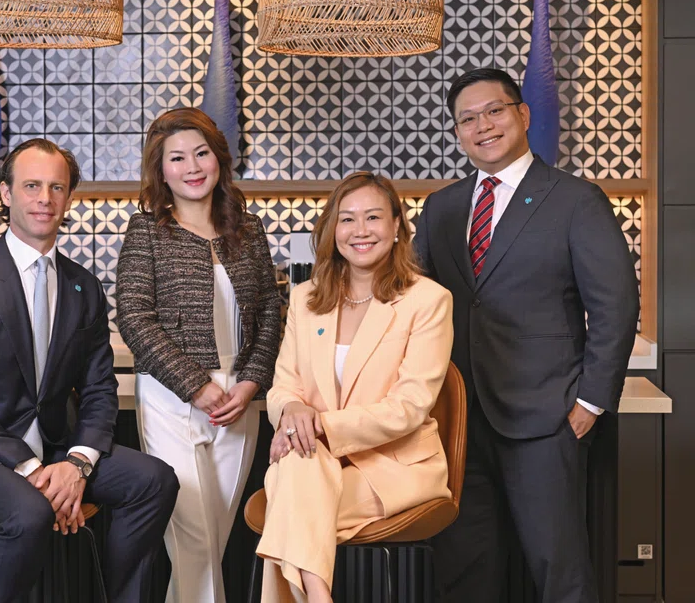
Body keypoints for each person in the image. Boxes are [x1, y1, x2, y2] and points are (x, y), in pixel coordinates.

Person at [0, 138, 178, 603]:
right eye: (31, 185)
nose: (44, 199)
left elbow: (97, 390)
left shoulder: (83, 286)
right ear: (6, 194)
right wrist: (31, 468)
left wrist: (77, 463)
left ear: (69, 198)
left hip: (56, 447)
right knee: (29, 511)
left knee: (155, 481)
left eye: (57, 187)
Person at [416, 68, 639, 603]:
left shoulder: (575, 199)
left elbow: (615, 305)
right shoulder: (441, 207)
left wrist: (590, 401)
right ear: (457, 132)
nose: (482, 126)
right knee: (465, 570)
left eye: (494, 111)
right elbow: (414, 303)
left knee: (558, 568)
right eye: (467, 119)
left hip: (547, 416)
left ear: (523, 115)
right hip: (459, 420)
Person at [256, 172, 454, 603]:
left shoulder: (428, 301)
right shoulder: (306, 300)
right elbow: (282, 387)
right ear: (332, 230)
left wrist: (316, 426)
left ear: (397, 225)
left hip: (395, 467)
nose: (359, 231)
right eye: (347, 219)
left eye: (373, 217)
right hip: (313, 463)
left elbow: (410, 406)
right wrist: (290, 411)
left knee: (288, 507)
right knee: (299, 485)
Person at [116, 107, 281, 603]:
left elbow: (272, 313)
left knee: (213, 535)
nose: (192, 166)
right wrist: (196, 385)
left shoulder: (248, 230)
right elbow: (134, 316)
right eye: (177, 157)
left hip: (239, 399)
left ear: (219, 159)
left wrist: (251, 382)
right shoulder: (145, 231)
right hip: (172, 399)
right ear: (160, 170)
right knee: (191, 534)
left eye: (201, 153)